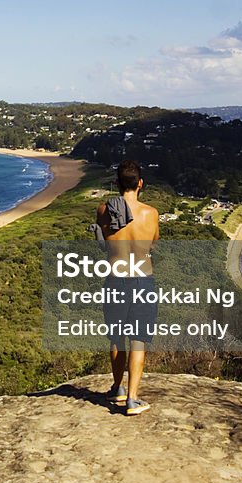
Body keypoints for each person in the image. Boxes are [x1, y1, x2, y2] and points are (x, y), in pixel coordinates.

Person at [95, 159, 159, 415]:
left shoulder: (103, 210)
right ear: (140, 183)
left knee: (116, 338)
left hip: (115, 279)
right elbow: (153, 243)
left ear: (117, 183)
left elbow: (102, 240)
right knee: (139, 340)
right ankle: (132, 399)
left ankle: (117, 387)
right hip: (143, 280)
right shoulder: (151, 213)